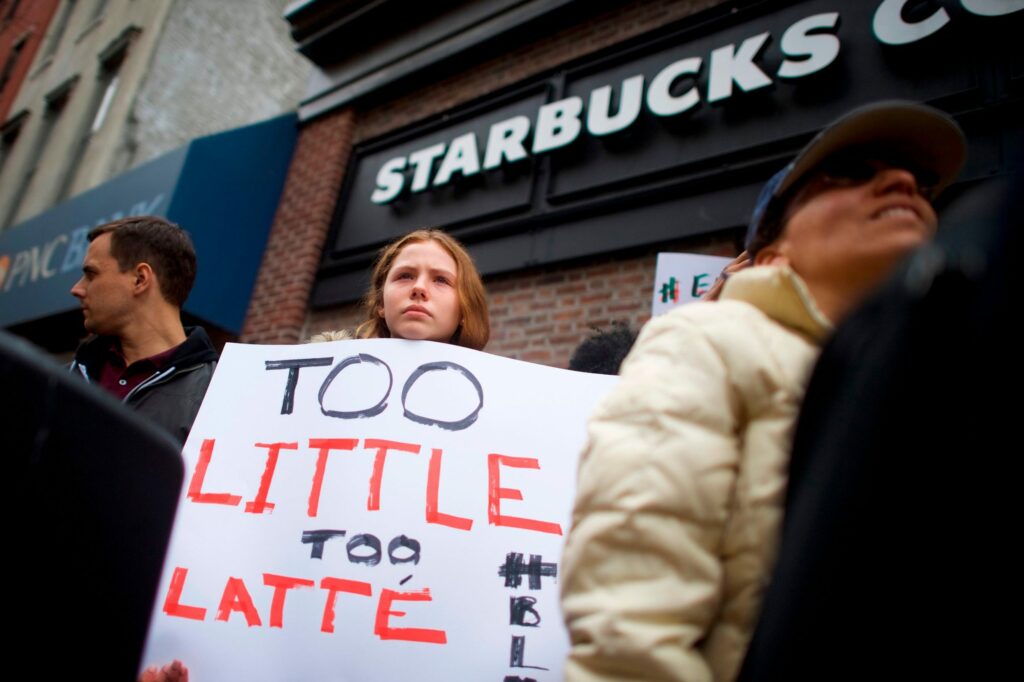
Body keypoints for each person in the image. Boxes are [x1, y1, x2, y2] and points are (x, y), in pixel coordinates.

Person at [560, 101, 966, 682]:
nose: (903, 183)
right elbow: (633, 596)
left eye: (923, 185)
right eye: (851, 173)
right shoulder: (708, 339)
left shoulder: (935, 369)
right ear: (771, 254)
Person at [69, 216, 218, 445]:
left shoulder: (218, 397)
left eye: (91, 274)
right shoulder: (66, 376)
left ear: (140, 279)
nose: (76, 289)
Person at [313, 228, 490, 349]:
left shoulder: (499, 396)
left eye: (441, 280)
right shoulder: (317, 376)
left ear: (464, 310)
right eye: (405, 276)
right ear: (381, 303)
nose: (419, 287)